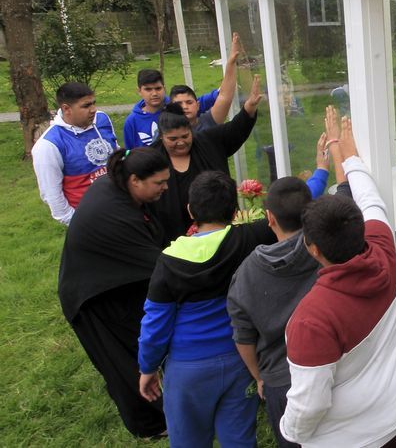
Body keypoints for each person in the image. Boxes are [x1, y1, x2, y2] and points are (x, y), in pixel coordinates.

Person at [280, 116, 396, 447]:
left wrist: (290, 433)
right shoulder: (385, 248)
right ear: (360, 227)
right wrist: (349, 155)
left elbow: (308, 405)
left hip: (359, 439)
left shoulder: (311, 319)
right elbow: (371, 199)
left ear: (313, 249)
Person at [227, 107, 351, 448]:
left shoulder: (246, 274)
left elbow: (243, 337)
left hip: (282, 380)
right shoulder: (330, 248)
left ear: (269, 218)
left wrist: (259, 377)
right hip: (336, 366)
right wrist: (329, 157)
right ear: (310, 210)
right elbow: (347, 191)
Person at [138, 171, 277, 447]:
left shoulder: (168, 262)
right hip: (241, 360)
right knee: (239, 439)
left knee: (188, 440)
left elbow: (155, 324)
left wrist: (148, 367)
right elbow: (291, 208)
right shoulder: (250, 238)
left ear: (190, 210)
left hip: (187, 370)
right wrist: (321, 172)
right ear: (236, 211)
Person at [58, 147, 170, 438]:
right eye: (159, 183)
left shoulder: (118, 186)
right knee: (124, 363)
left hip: (114, 282)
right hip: (91, 297)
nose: (165, 187)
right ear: (135, 180)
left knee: (137, 347)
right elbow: (165, 269)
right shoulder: (117, 217)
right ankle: (150, 426)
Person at [151, 74, 263, 242]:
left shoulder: (208, 141)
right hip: (173, 241)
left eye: (185, 136)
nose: (180, 143)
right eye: (173, 139)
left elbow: (235, 129)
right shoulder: (151, 159)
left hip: (223, 235)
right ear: (161, 137)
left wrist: (249, 107)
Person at [32, 82, 118, 225]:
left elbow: (115, 152)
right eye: (86, 106)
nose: (93, 110)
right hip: (90, 221)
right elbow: (52, 196)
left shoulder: (102, 119)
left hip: (120, 207)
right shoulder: (48, 145)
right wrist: (81, 224)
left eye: (93, 103)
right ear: (66, 109)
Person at [171, 32, 247, 133]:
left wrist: (231, 62)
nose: (184, 107)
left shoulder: (207, 123)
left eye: (189, 102)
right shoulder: (163, 131)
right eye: (179, 104)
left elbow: (224, 97)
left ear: (198, 105)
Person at [123, 68, 218, 148]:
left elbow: (207, 99)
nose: (154, 93)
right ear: (139, 91)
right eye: (148, 89)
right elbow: (131, 153)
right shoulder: (132, 121)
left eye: (158, 88)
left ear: (164, 88)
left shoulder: (177, 106)